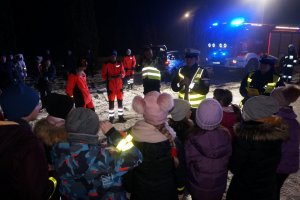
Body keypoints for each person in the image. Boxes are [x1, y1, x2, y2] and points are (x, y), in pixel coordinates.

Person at [51, 108, 143, 199]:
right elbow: (136, 156)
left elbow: (79, 153)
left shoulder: (57, 149)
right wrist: (112, 133)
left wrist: (98, 146)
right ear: (95, 129)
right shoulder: (103, 157)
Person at [123, 91, 185, 200]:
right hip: (167, 192)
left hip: (140, 191)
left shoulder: (132, 138)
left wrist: (128, 189)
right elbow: (180, 168)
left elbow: (128, 168)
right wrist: (180, 189)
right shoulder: (174, 140)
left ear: (143, 110)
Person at [226, 95, 288, 200]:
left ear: (253, 115)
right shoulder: (277, 134)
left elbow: (234, 167)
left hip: (244, 190)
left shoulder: (245, 138)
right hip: (267, 188)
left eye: (245, 110)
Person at [0, 84, 53, 199]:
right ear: (26, 109)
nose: (40, 107)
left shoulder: (6, 132)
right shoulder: (28, 142)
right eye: (37, 104)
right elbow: (35, 189)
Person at [185, 98, 232, 200]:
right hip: (218, 185)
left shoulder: (192, 138)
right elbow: (228, 158)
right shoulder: (226, 135)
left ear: (198, 117)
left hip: (198, 185)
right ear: (220, 117)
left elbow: (187, 163)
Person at [270, 85, 300, 200]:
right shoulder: (293, 121)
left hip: (277, 165)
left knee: (271, 191)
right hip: (287, 165)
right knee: (275, 189)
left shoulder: (276, 121)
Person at [171, 48, 210, 123]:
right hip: (182, 107)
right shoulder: (180, 70)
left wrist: (190, 84)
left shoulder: (203, 71)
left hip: (197, 109)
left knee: (195, 131)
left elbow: (205, 90)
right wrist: (180, 84)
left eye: (191, 58)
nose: (188, 60)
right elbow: (174, 87)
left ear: (196, 59)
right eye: (187, 58)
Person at [102, 50, 126, 123]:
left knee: (120, 102)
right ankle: (111, 118)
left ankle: (121, 117)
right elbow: (103, 76)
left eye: (114, 55)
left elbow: (123, 73)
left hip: (119, 87)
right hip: (111, 87)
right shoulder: (106, 64)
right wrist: (108, 78)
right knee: (111, 103)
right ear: (110, 56)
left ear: (116, 56)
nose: (113, 57)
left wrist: (121, 75)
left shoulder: (120, 63)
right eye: (112, 55)